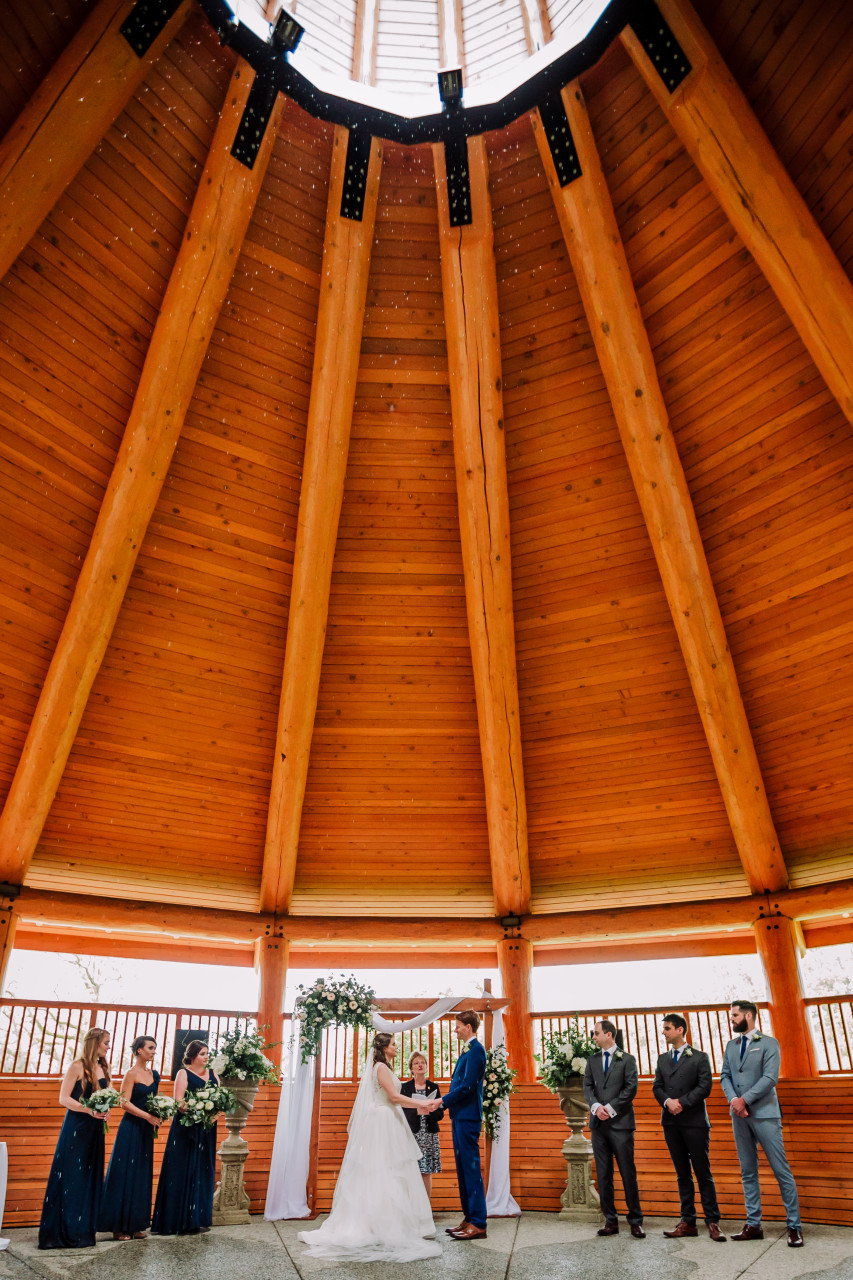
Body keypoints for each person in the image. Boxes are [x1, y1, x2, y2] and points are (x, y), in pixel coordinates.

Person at [298, 1032, 441, 1261]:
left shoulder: (383, 1068)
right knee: (385, 1171)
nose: (396, 1047)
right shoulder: (381, 1068)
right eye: (393, 1044)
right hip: (383, 1122)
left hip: (388, 1120)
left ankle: (391, 1221)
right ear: (384, 1047)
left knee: (390, 1171)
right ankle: (382, 1225)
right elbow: (394, 1098)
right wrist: (423, 1102)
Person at [721, 999, 804, 1248]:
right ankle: (753, 1224)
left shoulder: (769, 1043)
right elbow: (725, 1075)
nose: (732, 1019)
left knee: (781, 1171)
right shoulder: (731, 1045)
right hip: (739, 1116)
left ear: (748, 1015)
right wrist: (734, 1100)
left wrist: (744, 1100)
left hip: (765, 1114)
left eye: (735, 1015)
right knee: (748, 1172)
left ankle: (794, 1226)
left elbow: (770, 1077)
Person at [652, 1014, 725, 1242]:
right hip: (671, 1122)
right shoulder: (662, 1059)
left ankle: (712, 1221)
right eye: (663, 1029)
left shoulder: (700, 1057)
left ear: (680, 1030)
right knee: (682, 1174)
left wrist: (681, 1102)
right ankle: (687, 1221)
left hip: (694, 1121)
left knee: (703, 1173)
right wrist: (667, 1102)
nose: (663, 1032)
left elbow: (705, 1086)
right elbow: (657, 1086)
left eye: (667, 1028)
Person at [39, 1026, 112, 1249]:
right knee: (72, 1177)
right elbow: (63, 1098)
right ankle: (61, 1232)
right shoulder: (77, 1066)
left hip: (96, 1130)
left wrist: (107, 1109)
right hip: (77, 1127)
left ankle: (82, 1231)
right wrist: (89, 1110)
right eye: (106, 1042)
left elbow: (109, 1095)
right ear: (94, 1043)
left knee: (90, 1177)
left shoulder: (103, 1067)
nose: (109, 1046)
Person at [583, 1018, 645, 1239]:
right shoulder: (591, 1060)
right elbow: (587, 1087)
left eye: (596, 1033)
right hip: (598, 1125)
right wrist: (596, 1107)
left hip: (621, 1124)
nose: (593, 1037)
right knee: (603, 1174)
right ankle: (610, 1220)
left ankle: (635, 1221)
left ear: (609, 1034)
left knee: (628, 1173)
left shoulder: (628, 1059)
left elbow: (631, 1088)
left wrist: (609, 1108)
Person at [151, 1039, 220, 1235]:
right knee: (181, 1170)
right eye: (202, 1054)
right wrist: (198, 1109)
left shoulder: (214, 1074)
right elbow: (179, 1102)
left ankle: (197, 1218)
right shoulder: (183, 1073)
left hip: (207, 1129)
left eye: (207, 1053)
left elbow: (220, 1099)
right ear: (192, 1056)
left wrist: (214, 1114)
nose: (206, 1057)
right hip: (186, 1127)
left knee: (202, 1170)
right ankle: (175, 1219)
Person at [100, 1035, 162, 1239]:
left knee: (142, 1174)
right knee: (124, 1173)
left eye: (155, 1048)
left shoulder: (155, 1074)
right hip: (131, 1127)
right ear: (139, 1051)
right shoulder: (130, 1073)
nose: (154, 1051)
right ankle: (118, 1226)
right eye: (150, 1048)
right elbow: (123, 1102)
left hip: (147, 1130)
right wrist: (147, 1116)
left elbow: (154, 1100)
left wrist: (160, 1113)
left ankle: (136, 1224)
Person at [442, 1010, 488, 1241]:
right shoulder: (468, 1050)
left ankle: (479, 1223)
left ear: (468, 1027)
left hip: (469, 1117)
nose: (455, 1029)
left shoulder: (477, 1051)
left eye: (458, 1025)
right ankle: (469, 1217)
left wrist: (443, 1101)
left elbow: (468, 1086)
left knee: (471, 1169)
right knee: (462, 1169)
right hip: (459, 1116)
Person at [400, 1049, 444, 1197]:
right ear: (411, 1068)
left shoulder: (434, 1087)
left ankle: (426, 1209)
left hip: (429, 1134)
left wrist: (430, 1110)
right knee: (411, 1171)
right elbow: (401, 1112)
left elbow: (440, 1113)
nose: (420, 1065)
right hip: (412, 1134)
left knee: (426, 1172)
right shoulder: (404, 1088)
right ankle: (411, 1207)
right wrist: (417, 1111)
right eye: (416, 1063)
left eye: (422, 1062)